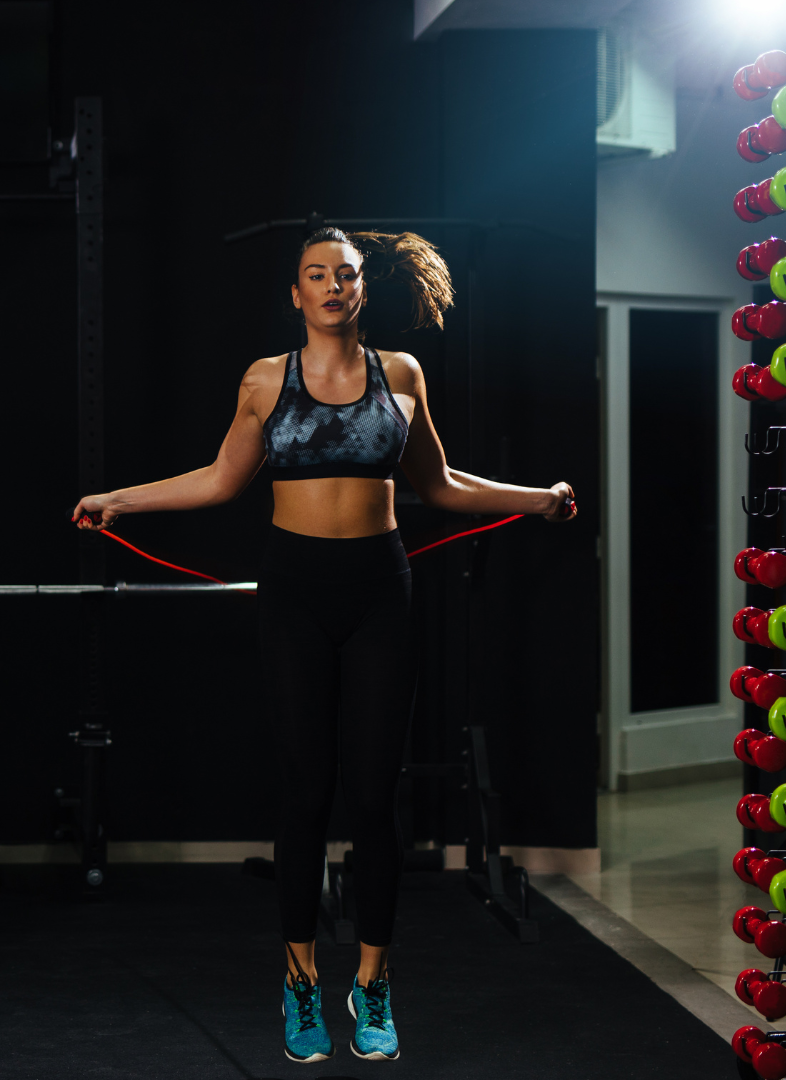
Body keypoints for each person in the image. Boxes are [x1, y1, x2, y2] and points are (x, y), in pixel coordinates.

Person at [71, 228, 575, 1063]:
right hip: (296, 593)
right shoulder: (266, 380)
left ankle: (372, 984)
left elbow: (442, 486)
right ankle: (301, 981)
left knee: (374, 800)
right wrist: (119, 499)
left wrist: (538, 501)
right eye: (317, 275)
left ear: (362, 291)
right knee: (306, 791)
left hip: (380, 592)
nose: (334, 286)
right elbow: (221, 479)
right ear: (297, 295)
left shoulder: (402, 375)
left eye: (346, 274)